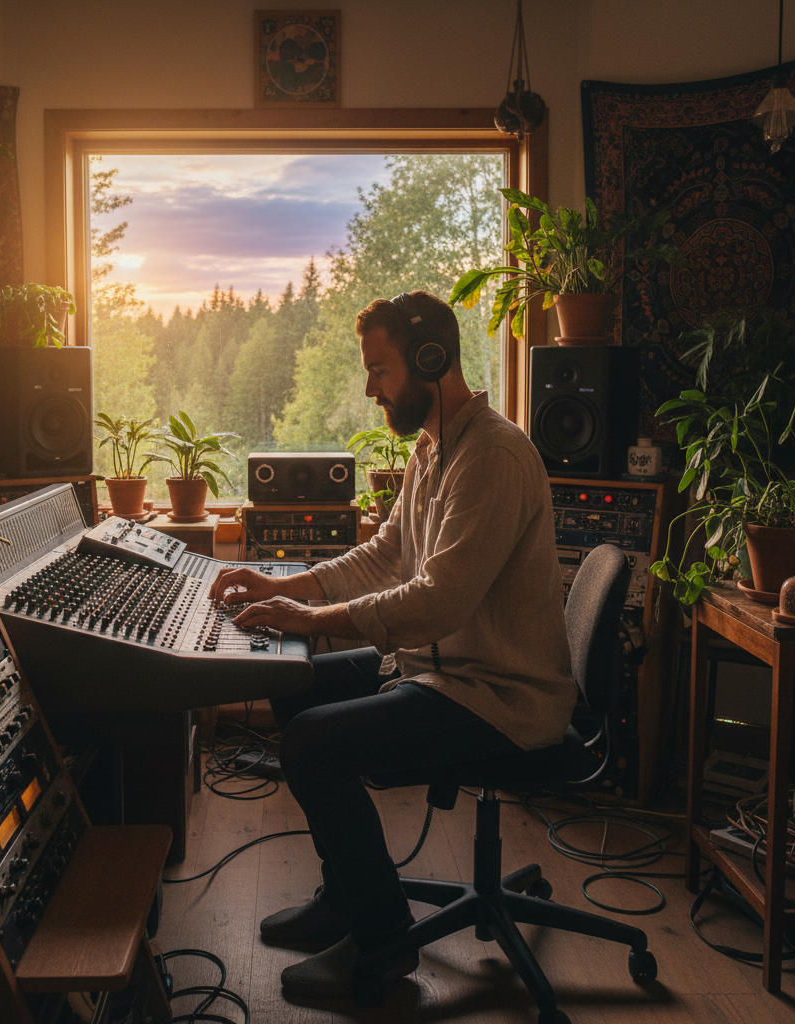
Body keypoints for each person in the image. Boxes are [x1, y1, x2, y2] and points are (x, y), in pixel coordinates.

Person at [209, 290, 575, 999]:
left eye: (380, 369)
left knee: (314, 744)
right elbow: (384, 556)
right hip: (447, 677)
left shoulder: (494, 456)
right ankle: (347, 897)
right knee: (299, 690)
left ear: (430, 359)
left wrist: (308, 621)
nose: (370, 386)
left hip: (502, 697)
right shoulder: (436, 447)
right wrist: (290, 588)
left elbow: (438, 601)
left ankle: (381, 947)